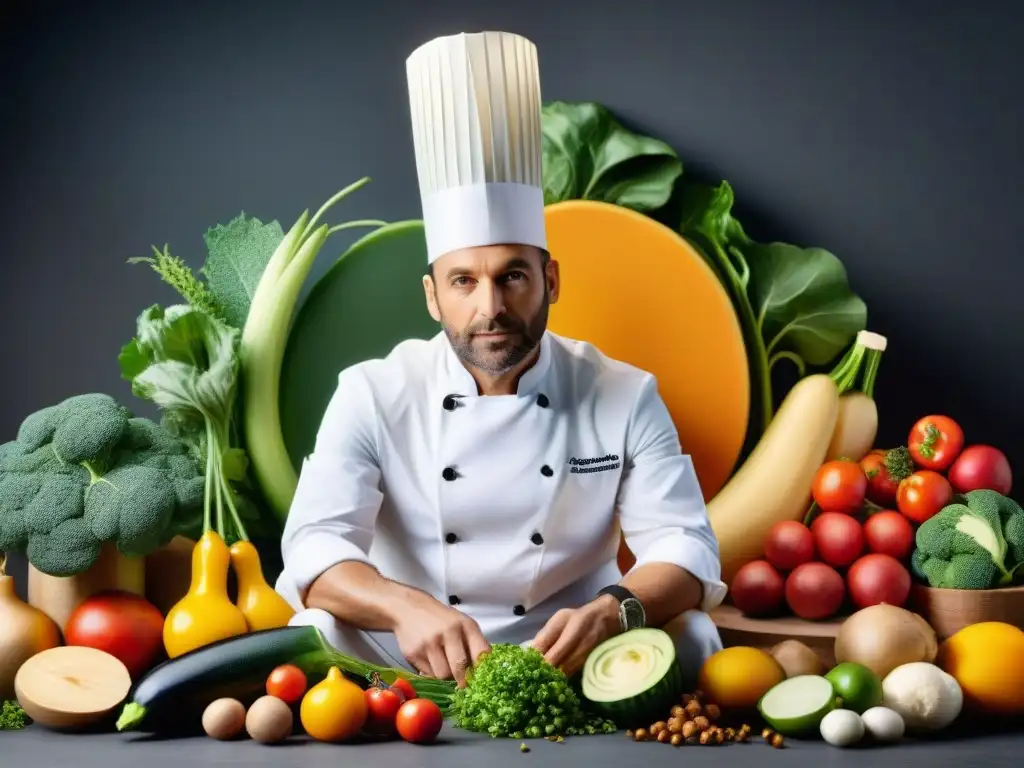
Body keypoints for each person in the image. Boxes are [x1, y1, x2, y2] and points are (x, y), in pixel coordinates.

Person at [275, 30, 727, 689]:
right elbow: (314, 550)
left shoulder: (624, 394)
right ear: (432, 296)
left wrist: (615, 609)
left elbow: (687, 549)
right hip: (410, 650)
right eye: (463, 281)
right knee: (311, 637)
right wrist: (404, 607)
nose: (490, 306)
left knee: (696, 636)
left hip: (574, 653)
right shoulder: (373, 392)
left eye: (512, 276)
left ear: (551, 281)